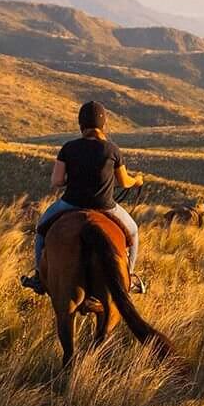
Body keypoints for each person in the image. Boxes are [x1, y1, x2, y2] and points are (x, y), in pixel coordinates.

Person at [20, 100, 143, 294]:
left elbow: (57, 181)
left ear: (81, 124)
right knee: (133, 232)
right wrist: (137, 180)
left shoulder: (68, 148)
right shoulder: (112, 149)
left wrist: (73, 176)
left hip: (71, 204)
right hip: (105, 206)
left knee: (41, 230)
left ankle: (38, 277)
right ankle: (129, 279)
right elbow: (124, 181)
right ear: (103, 124)